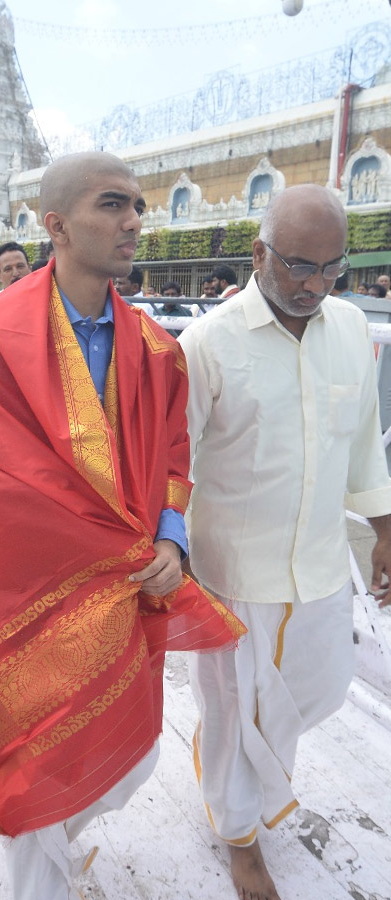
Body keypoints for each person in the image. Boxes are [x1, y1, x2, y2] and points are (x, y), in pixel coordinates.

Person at [0, 151, 244, 900]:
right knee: (29, 769)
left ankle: (56, 852)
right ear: (55, 225)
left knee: (135, 754)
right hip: (28, 595)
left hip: (126, 589)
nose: (134, 223)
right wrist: (52, 537)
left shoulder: (156, 350)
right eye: (113, 205)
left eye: (139, 206)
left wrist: (171, 538)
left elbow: (175, 456)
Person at [178, 183, 391, 900]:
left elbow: (363, 442)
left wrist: (385, 528)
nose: (316, 285)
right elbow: (172, 461)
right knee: (239, 712)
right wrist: (165, 551)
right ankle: (240, 837)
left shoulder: (349, 330)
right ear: (259, 253)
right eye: (300, 265)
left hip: (324, 567)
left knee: (310, 694)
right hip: (233, 571)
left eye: (334, 268)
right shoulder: (207, 342)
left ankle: (244, 783)